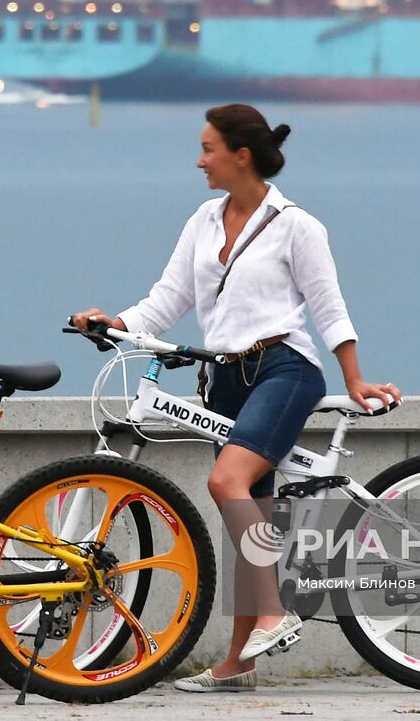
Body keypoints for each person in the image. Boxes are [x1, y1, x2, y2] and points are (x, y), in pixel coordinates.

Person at [71, 103, 400, 693]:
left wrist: (353, 379)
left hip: (284, 368)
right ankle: (238, 664)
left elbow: (329, 306)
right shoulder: (202, 219)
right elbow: (167, 298)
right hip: (225, 376)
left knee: (226, 484)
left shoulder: (297, 225)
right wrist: (113, 321)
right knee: (255, 516)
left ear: (240, 156)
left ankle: (273, 614)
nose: (199, 161)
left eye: (208, 149)